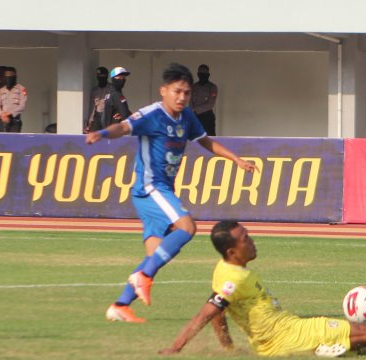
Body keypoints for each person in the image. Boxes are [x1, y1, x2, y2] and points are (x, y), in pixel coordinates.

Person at [85, 63, 259, 323]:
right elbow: (123, 128)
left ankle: (120, 305)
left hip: (162, 189)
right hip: (151, 187)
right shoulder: (151, 115)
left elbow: (205, 141)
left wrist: (236, 159)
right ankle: (143, 277)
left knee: (154, 257)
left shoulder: (187, 116)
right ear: (163, 90)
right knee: (187, 228)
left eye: (186, 93)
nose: (182, 97)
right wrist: (101, 132)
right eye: (177, 91)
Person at [158, 221, 366, 359]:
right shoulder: (232, 279)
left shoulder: (226, 271)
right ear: (231, 251)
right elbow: (208, 311)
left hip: (286, 333)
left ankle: (329, 350)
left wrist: (227, 349)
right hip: (288, 336)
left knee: (358, 342)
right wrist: (176, 346)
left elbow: (217, 311)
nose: (252, 240)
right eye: (245, 239)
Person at [0, 67, 27, 133]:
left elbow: (22, 106)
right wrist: (1, 114)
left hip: (15, 120)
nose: (9, 79)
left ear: (15, 77)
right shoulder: (1, 90)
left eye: (11, 77)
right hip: (3, 120)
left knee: (14, 140)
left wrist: (9, 113)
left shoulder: (21, 89)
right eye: (7, 77)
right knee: (2, 141)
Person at [190, 64, 218, 136]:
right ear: (198, 74)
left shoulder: (212, 87)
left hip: (207, 117)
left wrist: (196, 110)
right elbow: (190, 102)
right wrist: (192, 112)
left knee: (209, 139)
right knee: (194, 138)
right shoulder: (194, 87)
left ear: (208, 75)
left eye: (204, 74)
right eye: (201, 73)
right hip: (195, 116)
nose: (202, 75)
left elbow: (210, 104)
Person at [84, 67, 111, 133]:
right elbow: (92, 107)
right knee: (93, 134)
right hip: (97, 116)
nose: (101, 77)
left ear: (106, 76)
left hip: (108, 115)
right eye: (99, 76)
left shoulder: (112, 88)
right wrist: (90, 122)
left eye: (103, 75)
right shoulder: (94, 90)